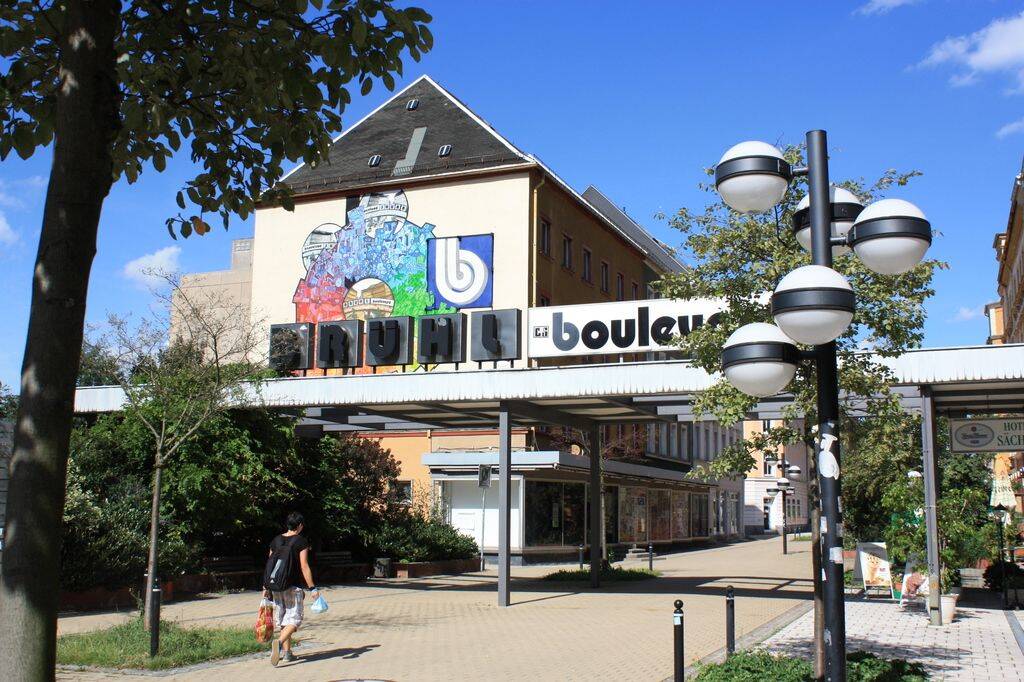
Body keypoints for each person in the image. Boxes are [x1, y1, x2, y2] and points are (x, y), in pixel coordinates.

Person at [263, 511, 319, 666]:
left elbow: (270, 564)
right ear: (300, 525)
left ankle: (287, 653)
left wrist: (265, 586)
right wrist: (312, 588)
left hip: (275, 586)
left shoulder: (276, 540)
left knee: (283, 619)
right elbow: (304, 566)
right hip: (292, 586)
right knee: (294, 619)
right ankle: (279, 643)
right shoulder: (301, 541)